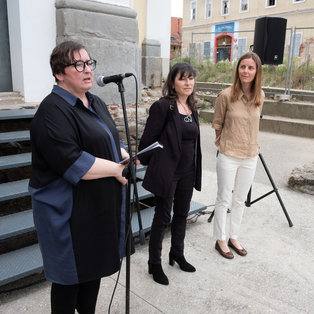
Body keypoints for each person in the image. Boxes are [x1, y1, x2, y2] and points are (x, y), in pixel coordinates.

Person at [28, 41, 132, 313]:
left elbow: (107, 137)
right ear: (59, 73)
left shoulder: (94, 101)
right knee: (68, 281)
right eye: (78, 64)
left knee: (92, 272)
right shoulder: (51, 111)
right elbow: (74, 162)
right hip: (66, 213)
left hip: (95, 207)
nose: (87, 70)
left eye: (89, 63)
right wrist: (115, 169)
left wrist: (121, 153)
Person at [138, 63, 202, 285]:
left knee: (182, 214)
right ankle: (154, 262)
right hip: (168, 172)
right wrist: (148, 165)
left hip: (187, 172)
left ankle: (177, 253)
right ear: (172, 82)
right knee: (163, 216)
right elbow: (147, 140)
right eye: (182, 78)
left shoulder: (192, 106)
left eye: (191, 78)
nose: (188, 83)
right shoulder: (163, 106)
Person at [212, 52, 264, 259]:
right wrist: (224, 144)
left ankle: (234, 236)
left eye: (250, 68)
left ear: (256, 71)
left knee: (240, 200)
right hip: (229, 154)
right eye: (243, 67)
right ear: (238, 69)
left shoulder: (261, 96)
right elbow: (217, 125)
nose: (246, 71)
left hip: (250, 156)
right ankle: (220, 239)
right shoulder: (226, 95)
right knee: (224, 198)